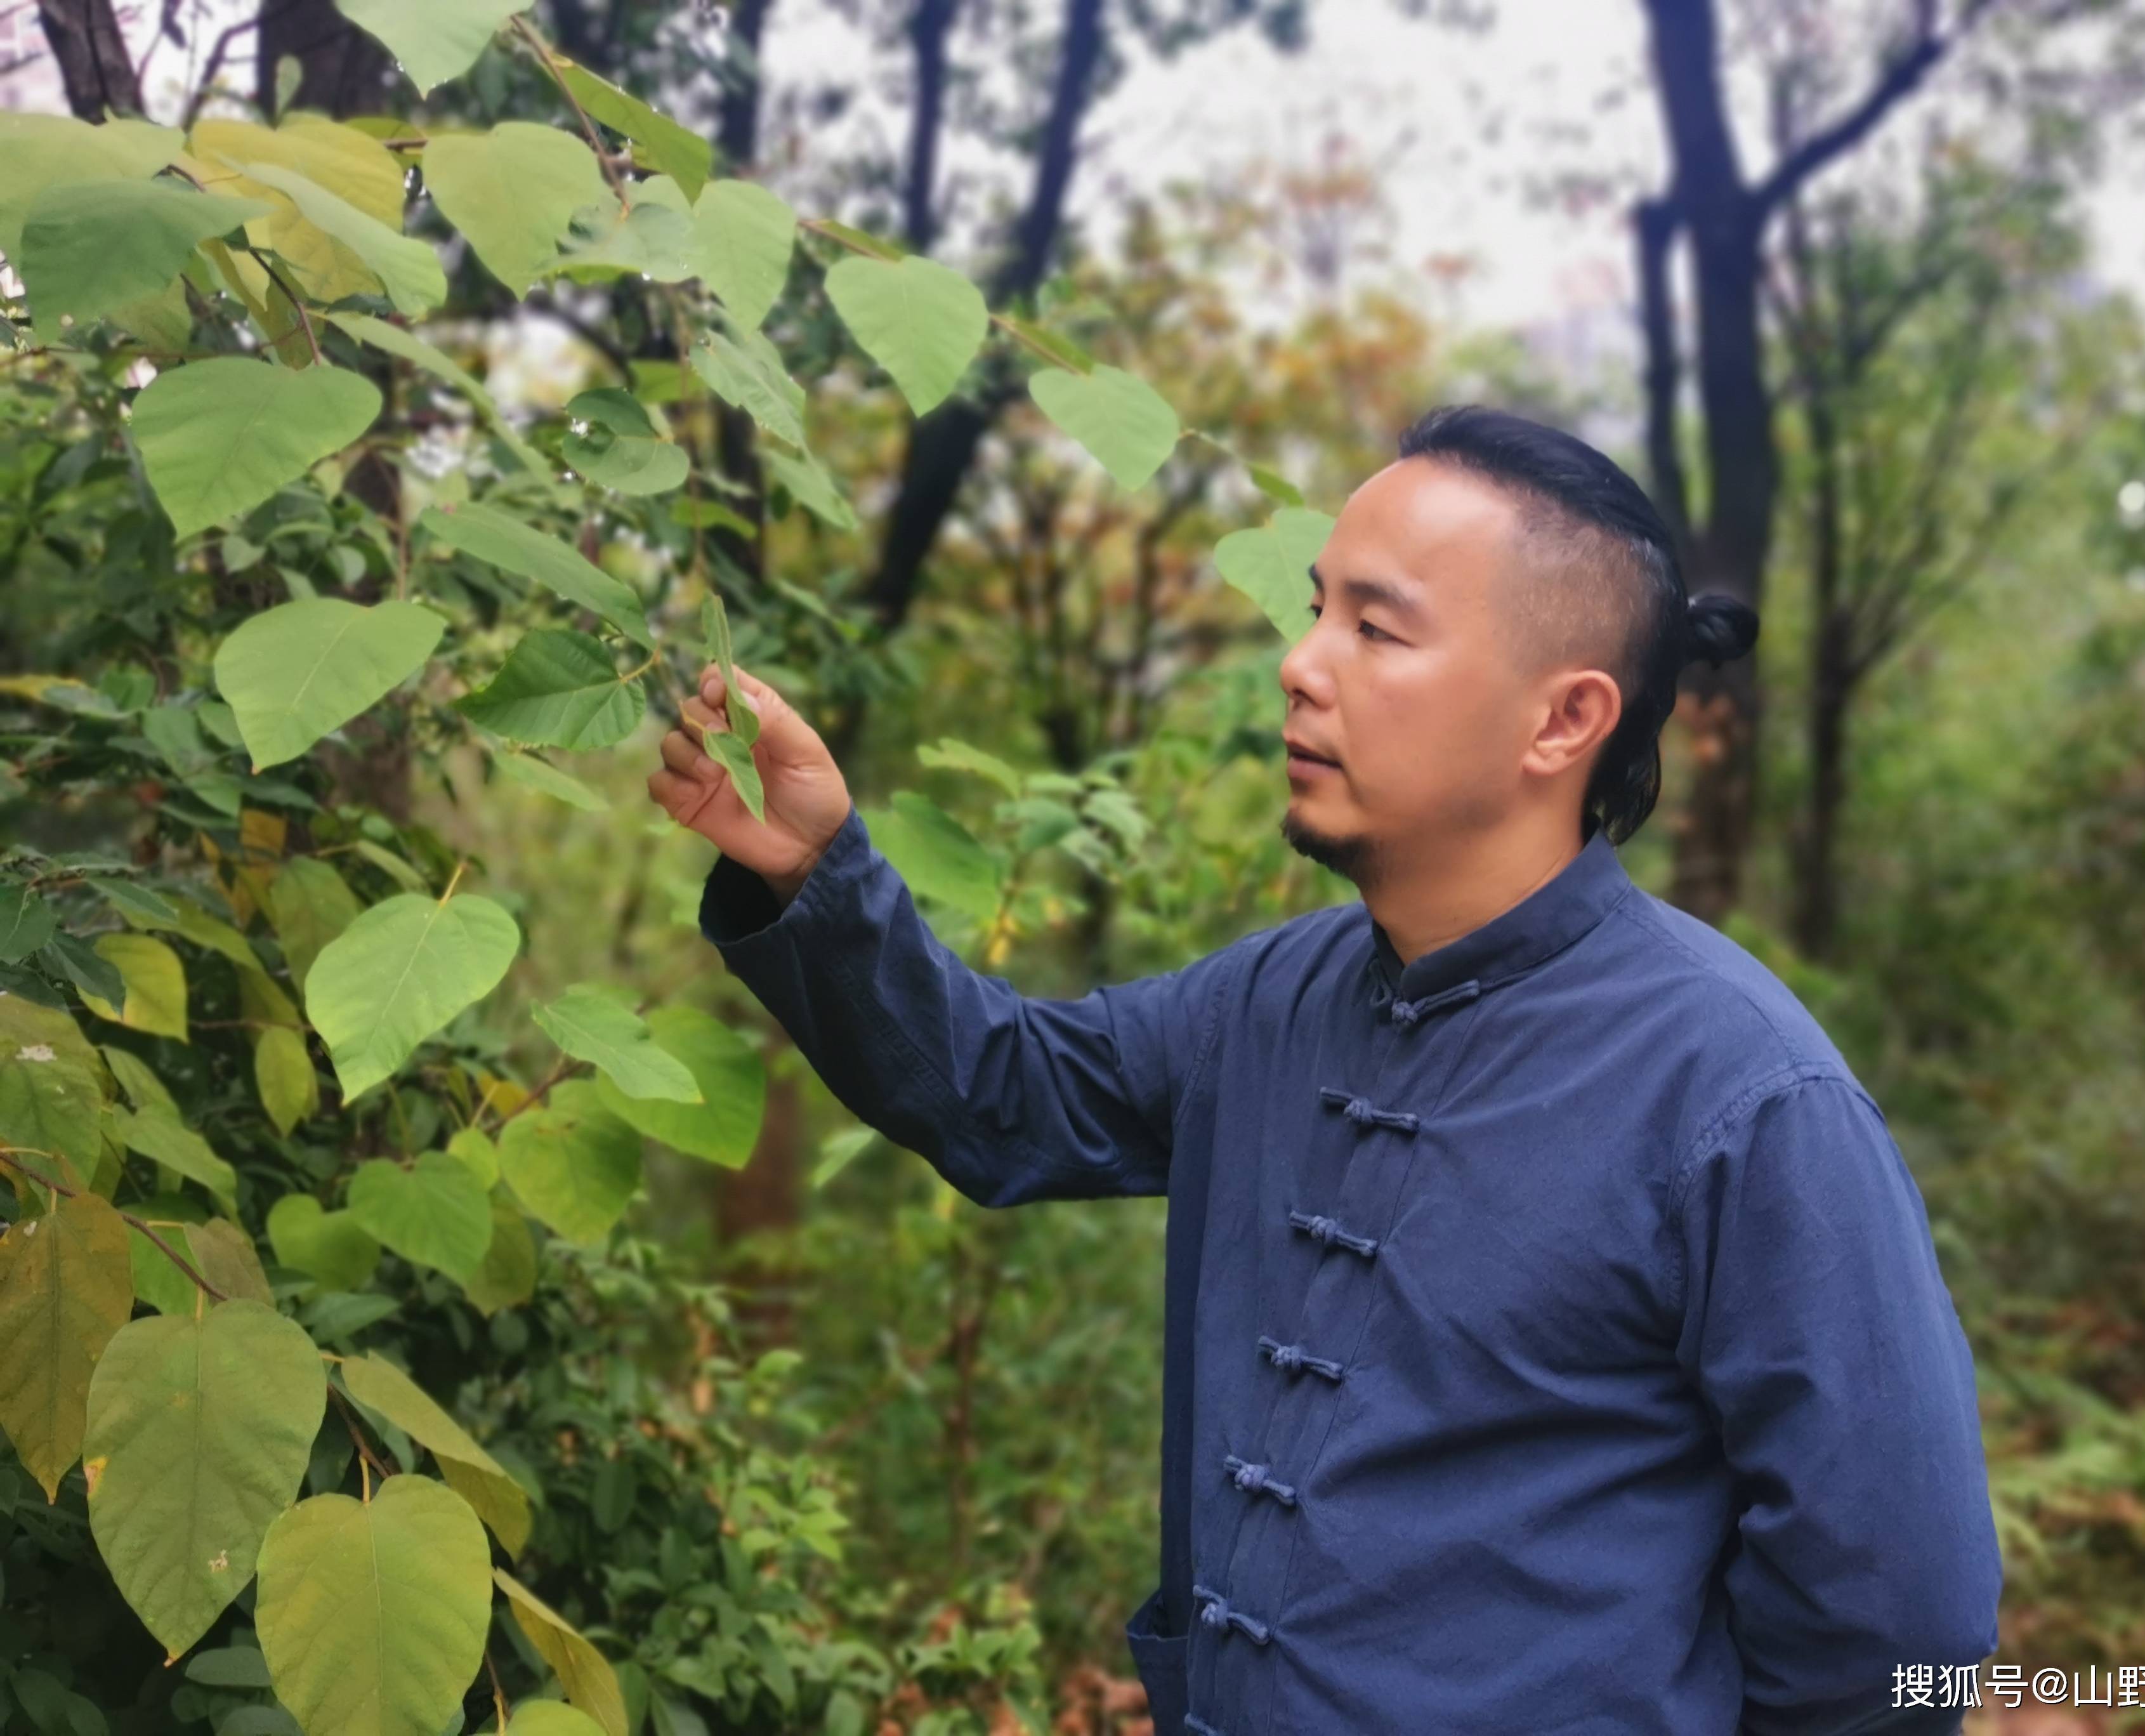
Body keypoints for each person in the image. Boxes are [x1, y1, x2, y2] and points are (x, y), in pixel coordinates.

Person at [646, 406, 2002, 1735]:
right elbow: (999, 1095)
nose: (1300, 665)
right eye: (1314, 611)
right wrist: (815, 867)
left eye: (1375, 625)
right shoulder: (1270, 1000)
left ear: (1563, 719)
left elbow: (1904, 1622)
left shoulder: (1743, 1097)